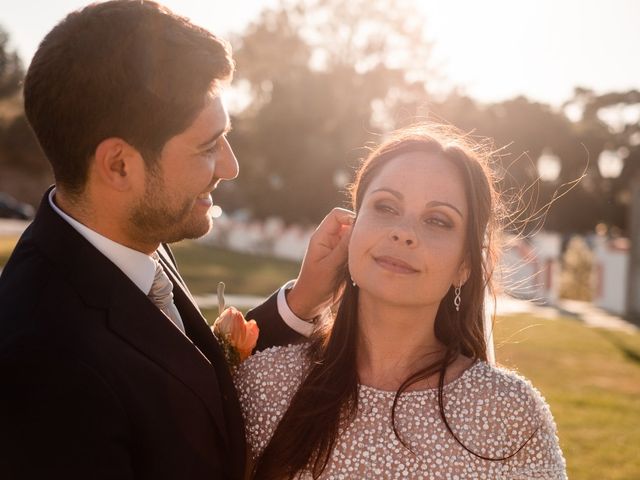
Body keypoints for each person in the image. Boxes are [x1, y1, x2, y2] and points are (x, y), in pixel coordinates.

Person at [0, 2, 350, 479]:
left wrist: (302, 299)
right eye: (208, 146)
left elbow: (186, 377)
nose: (230, 167)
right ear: (119, 165)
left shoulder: (132, 236)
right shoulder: (42, 363)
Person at [234, 125, 568, 479]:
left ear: (464, 266)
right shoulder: (264, 383)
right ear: (352, 229)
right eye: (386, 207)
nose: (404, 232)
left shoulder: (510, 413)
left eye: (438, 220)